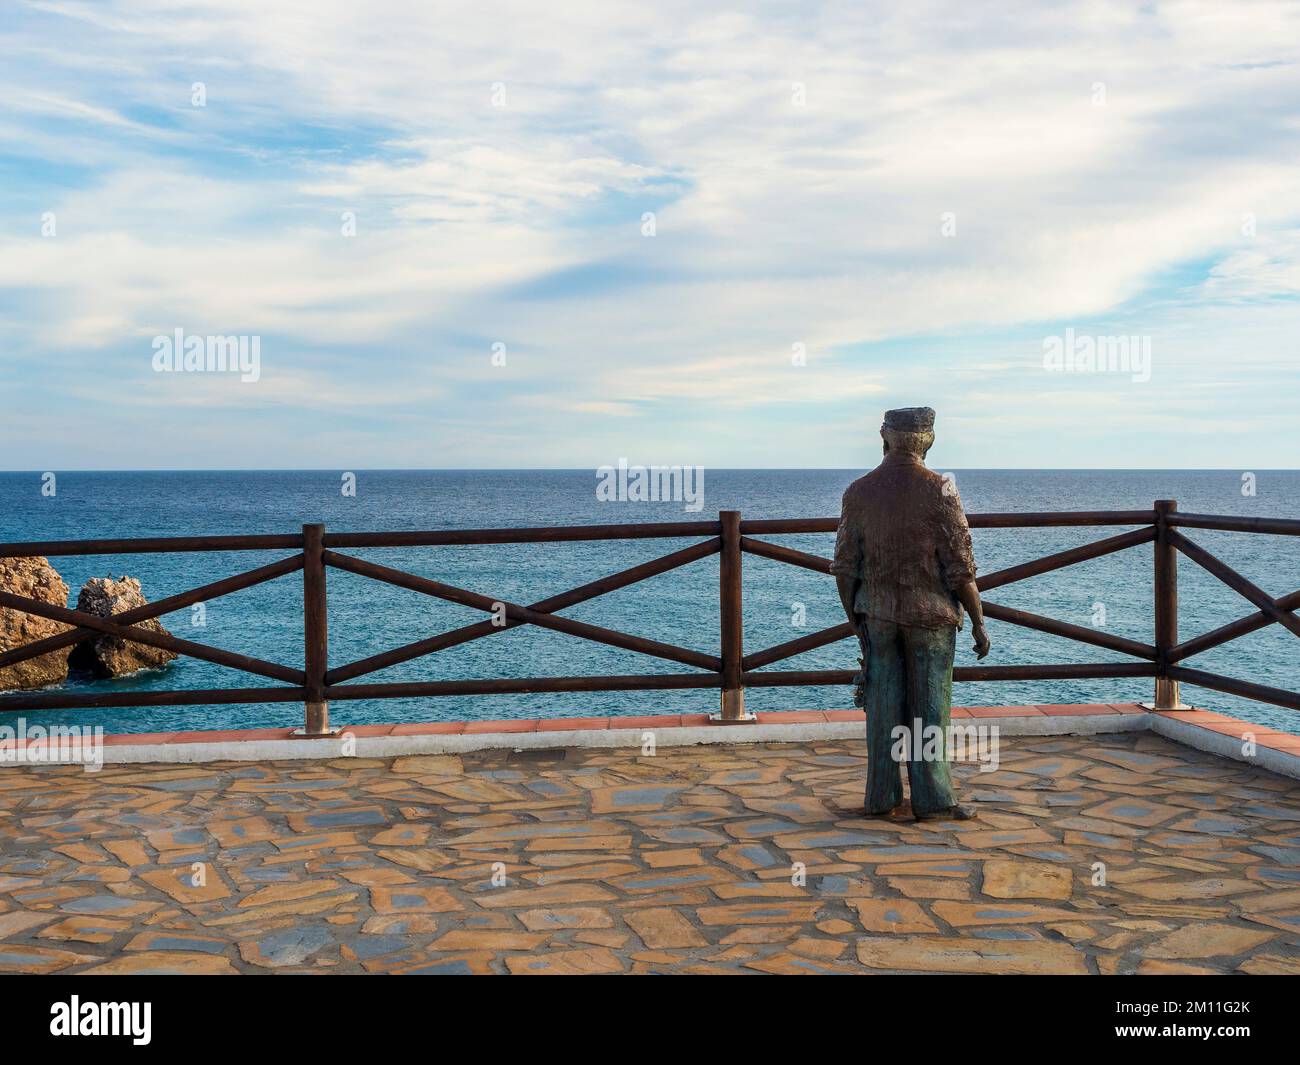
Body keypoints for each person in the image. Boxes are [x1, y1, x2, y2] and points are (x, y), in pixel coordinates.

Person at [830, 407, 990, 821]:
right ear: (928, 440)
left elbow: (845, 568)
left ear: (885, 438)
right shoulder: (941, 490)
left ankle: (881, 795)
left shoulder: (858, 491)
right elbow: (960, 568)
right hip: (931, 616)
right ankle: (932, 797)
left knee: (881, 707)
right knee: (930, 708)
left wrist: (856, 618)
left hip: (877, 615)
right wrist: (977, 619)